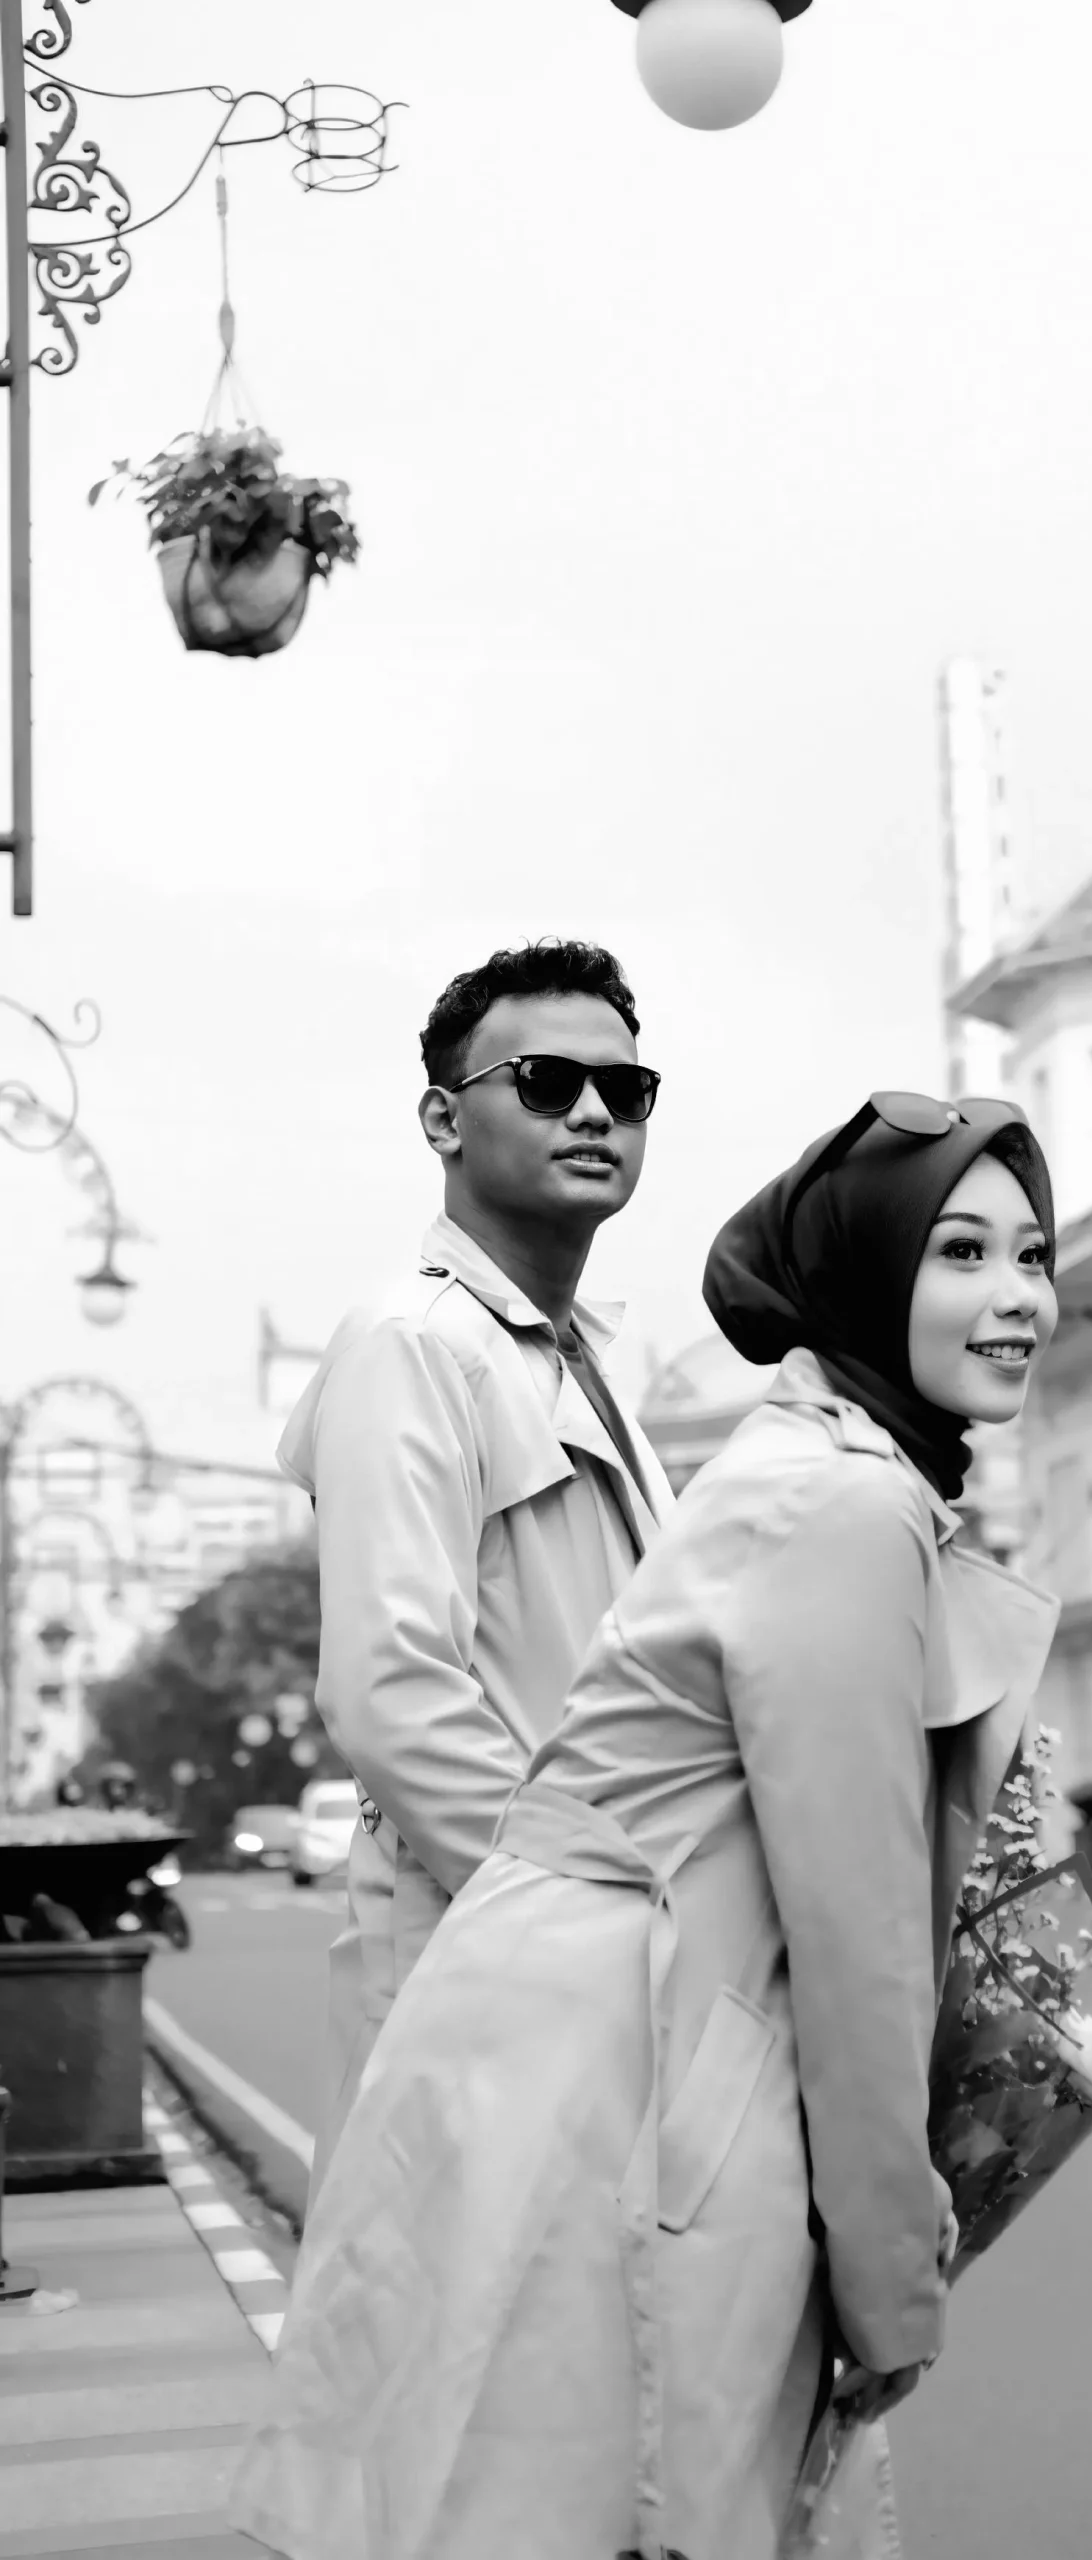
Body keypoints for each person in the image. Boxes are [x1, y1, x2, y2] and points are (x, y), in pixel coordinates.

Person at [230, 1091, 1063, 2560]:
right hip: (632, 2063)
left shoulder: (810, 1467)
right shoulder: (843, 1505)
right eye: (960, 1252)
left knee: (495, 2489)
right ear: (868, 1269)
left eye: (1032, 1255)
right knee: (617, 2499)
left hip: (564, 2043)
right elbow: (857, 1929)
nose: (1016, 1298)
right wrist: (890, 2282)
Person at [279, 938, 676, 2196]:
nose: (596, 1111)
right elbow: (392, 1691)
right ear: (443, 1119)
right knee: (461, 2304)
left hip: (600, 1965)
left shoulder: (581, 1362)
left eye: (626, 1088)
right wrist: (584, 1924)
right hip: (493, 1969)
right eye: (548, 1082)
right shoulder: (413, 1344)